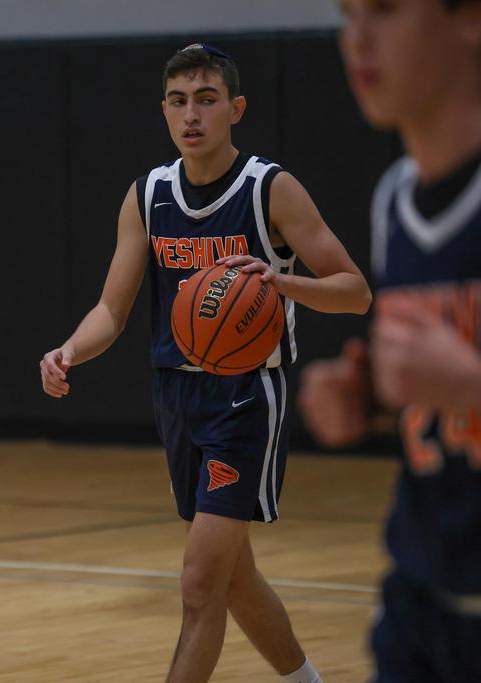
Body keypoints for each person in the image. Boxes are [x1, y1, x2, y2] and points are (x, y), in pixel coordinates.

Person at [39, 43, 371, 683]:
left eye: (206, 99)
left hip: (245, 397)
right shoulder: (148, 195)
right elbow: (111, 309)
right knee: (233, 578)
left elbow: (355, 291)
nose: (191, 114)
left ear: (235, 109)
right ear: (164, 111)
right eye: (178, 101)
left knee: (198, 583)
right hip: (175, 397)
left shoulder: (269, 189)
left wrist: (281, 282)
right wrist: (70, 350)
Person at [298, 0, 481, 679]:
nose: (358, 39)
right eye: (348, 14)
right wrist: (371, 397)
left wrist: (468, 385)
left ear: (470, 18)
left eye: (384, 9)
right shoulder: (393, 201)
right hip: (421, 600)